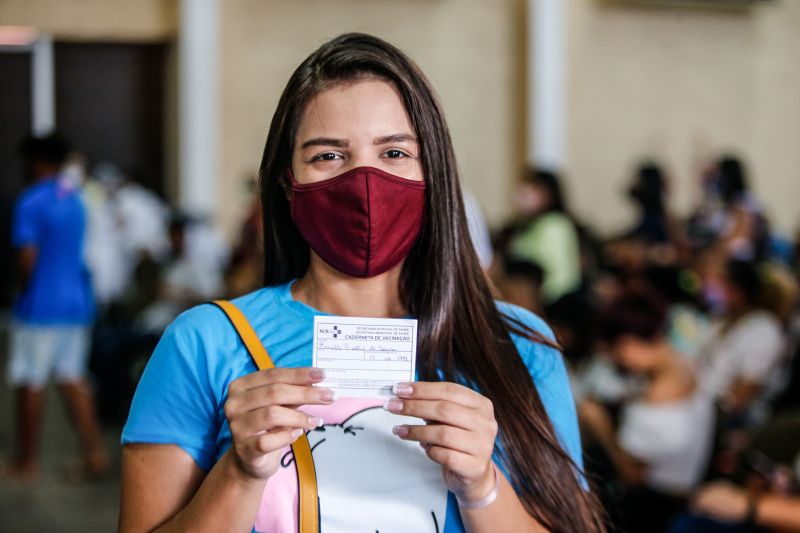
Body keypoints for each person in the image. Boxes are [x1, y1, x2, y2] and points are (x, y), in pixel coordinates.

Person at [119, 33, 603, 532]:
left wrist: (483, 487)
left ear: (432, 172)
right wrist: (240, 473)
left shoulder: (515, 343)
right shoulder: (206, 341)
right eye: (328, 156)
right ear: (289, 183)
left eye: (394, 153)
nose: (365, 182)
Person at [5, 132, 108, 480]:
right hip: (76, 303)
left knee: (29, 379)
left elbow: (27, 259)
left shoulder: (31, 202)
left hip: (40, 305)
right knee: (72, 376)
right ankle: (94, 453)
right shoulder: (74, 199)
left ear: (37, 162)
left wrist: (20, 291)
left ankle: (26, 461)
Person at [580, 292, 715, 532]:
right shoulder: (686, 364)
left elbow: (631, 475)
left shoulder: (654, 403)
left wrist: (601, 427)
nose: (619, 361)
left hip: (654, 506)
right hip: (687, 481)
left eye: (617, 352)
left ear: (628, 343)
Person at [502, 168, 583, 306]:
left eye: (533, 188)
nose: (524, 193)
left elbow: (549, 274)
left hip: (552, 305)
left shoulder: (555, 226)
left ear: (549, 194)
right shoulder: (526, 225)